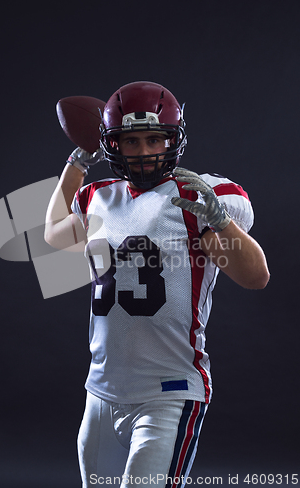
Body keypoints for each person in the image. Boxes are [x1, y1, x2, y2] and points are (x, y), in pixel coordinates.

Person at [44, 81, 270, 488]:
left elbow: (257, 277)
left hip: (169, 390)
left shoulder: (201, 196)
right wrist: (79, 159)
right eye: (131, 141)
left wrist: (221, 221)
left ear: (174, 139)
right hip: (101, 388)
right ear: (112, 145)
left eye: (155, 138)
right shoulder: (97, 196)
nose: (145, 151)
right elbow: (53, 234)